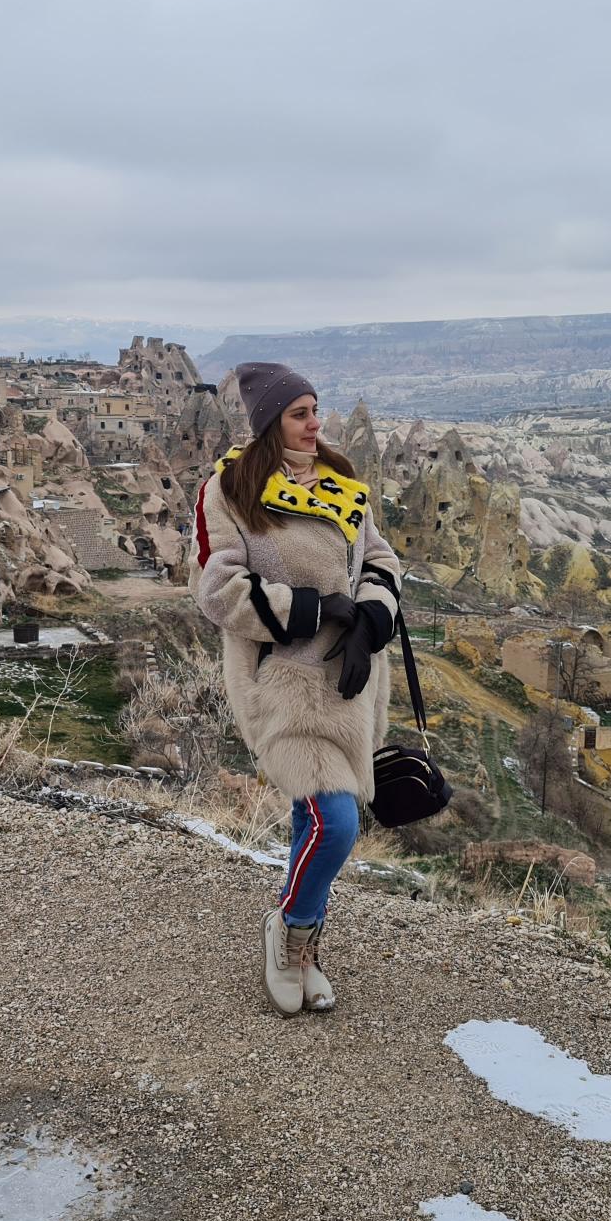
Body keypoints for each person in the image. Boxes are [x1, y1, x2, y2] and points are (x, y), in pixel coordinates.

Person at [193, 362, 402, 1015]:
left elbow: (381, 561)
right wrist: (312, 609)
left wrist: (369, 618)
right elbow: (219, 592)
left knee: (316, 823)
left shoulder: (343, 486)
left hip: (349, 679)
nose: (316, 425)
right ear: (269, 424)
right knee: (333, 823)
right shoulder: (229, 492)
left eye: (316, 411)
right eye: (299, 414)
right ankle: (288, 936)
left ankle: (303, 947)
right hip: (281, 682)